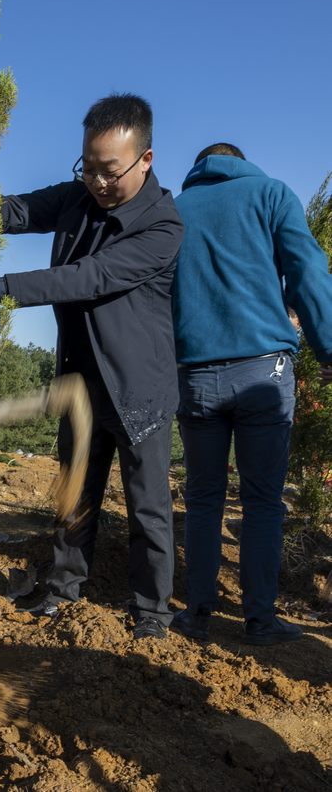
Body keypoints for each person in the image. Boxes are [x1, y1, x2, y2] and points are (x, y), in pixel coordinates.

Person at [0, 93, 183, 639]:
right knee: (75, 493)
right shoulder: (77, 198)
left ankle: (152, 611)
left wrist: (0, 288)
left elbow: (90, 277)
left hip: (138, 389)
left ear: (145, 159)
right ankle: (62, 590)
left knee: (147, 508)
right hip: (79, 382)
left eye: (110, 171)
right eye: (88, 167)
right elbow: (14, 210)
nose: (98, 182)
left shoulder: (163, 226)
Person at [170, 143, 332, 645]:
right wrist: (329, 349)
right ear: (241, 162)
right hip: (264, 372)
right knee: (262, 501)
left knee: (202, 498)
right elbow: (307, 272)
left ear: (198, 168)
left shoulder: (173, 210)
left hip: (194, 376)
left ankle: (197, 613)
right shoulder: (272, 195)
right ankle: (259, 619)